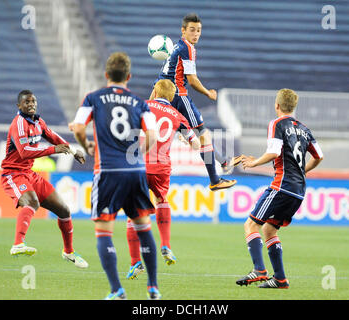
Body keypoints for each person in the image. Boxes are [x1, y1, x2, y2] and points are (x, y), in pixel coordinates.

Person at [71, 52, 162, 300]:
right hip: (135, 171)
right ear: (129, 77)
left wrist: (86, 144)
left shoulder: (93, 97)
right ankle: (153, 287)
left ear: (106, 75)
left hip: (108, 171)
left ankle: (116, 289)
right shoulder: (139, 102)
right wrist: (138, 152)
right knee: (144, 228)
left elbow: (78, 127)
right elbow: (153, 135)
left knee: (104, 231)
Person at [235, 89, 324, 289]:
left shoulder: (276, 124)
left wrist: (254, 163)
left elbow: (274, 152)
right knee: (269, 229)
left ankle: (259, 270)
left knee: (251, 225)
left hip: (282, 186)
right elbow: (319, 156)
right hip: (299, 191)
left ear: (277, 106)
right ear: (293, 107)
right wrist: (302, 172)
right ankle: (280, 279)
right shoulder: (304, 129)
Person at [150, 12, 240, 191]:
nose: (196, 34)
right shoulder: (188, 48)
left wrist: (152, 101)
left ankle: (223, 161)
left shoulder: (176, 47)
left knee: (198, 135)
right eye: (192, 30)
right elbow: (192, 79)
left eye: (198, 30)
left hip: (163, 95)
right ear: (183, 31)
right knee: (203, 135)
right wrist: (208, 93)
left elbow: (161, 77)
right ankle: (215, 178)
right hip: (179, 96)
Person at [1, 90, 88, 269]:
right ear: (19, 106)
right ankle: (18, 244)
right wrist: (52, 150)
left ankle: (69, 252)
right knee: (32, 202)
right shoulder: (18, 124)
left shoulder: (38, 122)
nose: (31, 104)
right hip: (13, 173)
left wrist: (73, 151)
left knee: (64, 210)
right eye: (27, 102)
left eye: (33, 101)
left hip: (29, 173)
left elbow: (53, 137)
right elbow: (24, 152)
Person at [126, 79, 200, 280]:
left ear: (155, 91)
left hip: (140, 164)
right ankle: (166, 244)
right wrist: (185, 139)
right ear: (173, 96)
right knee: (162, 201)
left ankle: (135, 263)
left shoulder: (143, 106)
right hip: (162, 166)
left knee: (134, 213)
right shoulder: (177, 115)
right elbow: (196, 144)